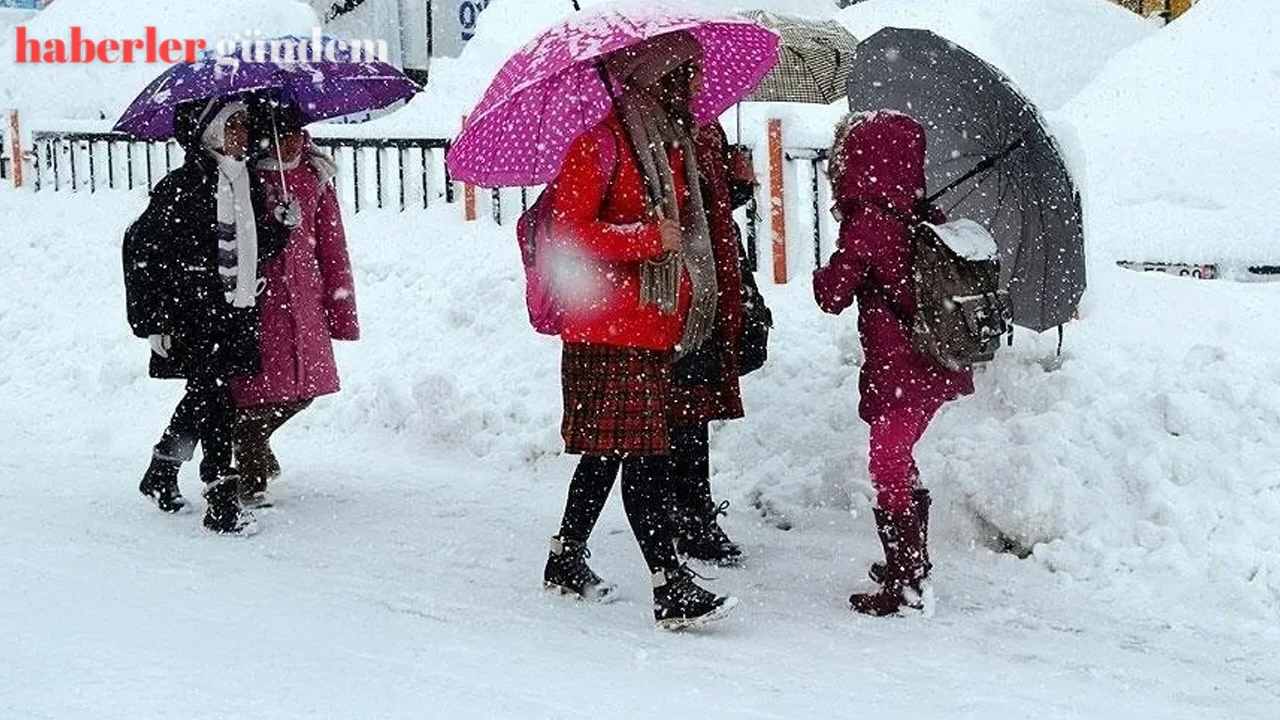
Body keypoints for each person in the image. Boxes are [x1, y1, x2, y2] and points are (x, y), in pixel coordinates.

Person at [539, 31, 738, 629]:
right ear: (654, 79)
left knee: (607, 454)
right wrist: (648, 240)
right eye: (685, 77)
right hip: (608, 330)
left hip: (650, 328)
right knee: (645, 457)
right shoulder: (598, 145)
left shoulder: (663, 145)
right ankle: (669, 584)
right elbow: (566, 236)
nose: (696, 90)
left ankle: (565, 558)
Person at [812, 110, 974, 615]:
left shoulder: (870, 224)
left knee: (886, 464)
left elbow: (831, 296)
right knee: (898, 460)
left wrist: (829, 269)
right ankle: (911, 563)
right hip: (933, 360)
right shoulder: (924, 214)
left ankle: (907, 583)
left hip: (901, 366)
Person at [124, 97, 289, 534]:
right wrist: (154, 321)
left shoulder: (248, 184)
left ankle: (162, 467)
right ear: (210, 132)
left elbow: (254, 248)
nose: (243, 132)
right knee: (218, 400)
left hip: (236, 309)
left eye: (245, 124)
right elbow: (144, 251)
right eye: (233, 124)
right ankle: (220, 497)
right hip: (193, 311)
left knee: (205, 394)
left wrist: (280, 227)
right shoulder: (183, 185)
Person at [229, 103, 359, 505]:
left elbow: (333, 249)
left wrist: (341, 311)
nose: (293, 142)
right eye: (283, 135)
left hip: (306, 302)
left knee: (305, 389)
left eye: (298, 134)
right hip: (261, 302)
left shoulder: (314, 178)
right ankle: (250, 477)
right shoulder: (243, 179)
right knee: (258, 391)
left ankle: (252, 439)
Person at [664, 121, 752, 566]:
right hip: (683, 286)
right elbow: (676, 205)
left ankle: (686, 514)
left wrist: (736, 182)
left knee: (690, 410)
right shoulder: (667, 128)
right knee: (680, 409)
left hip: (709, 284)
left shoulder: (704, 126)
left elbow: (711, 207)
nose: (700, 79)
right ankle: (685, 519)